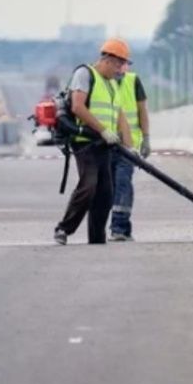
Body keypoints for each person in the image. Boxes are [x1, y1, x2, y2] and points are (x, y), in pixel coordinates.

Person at [53, 38, 133, 245]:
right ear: (107, 59)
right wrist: (103, 130)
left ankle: (97, 239)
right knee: (88, 185)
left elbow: (119, 114)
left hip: (104, 144)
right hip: (85, 141)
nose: (120, 70)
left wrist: (128, 145)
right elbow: (78, 107)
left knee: (106, 193)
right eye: (118, 64)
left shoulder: (112, 84)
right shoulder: (85, 74)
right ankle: (63, 229)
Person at [109, 67, 150, 242]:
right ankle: (124, 228)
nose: (118, 69)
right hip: (104, 144)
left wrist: (146, 138)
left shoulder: (133, 81)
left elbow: (142, 111)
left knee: (123, 183)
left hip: (128, 146)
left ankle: (118, 227)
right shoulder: (99, 81)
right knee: (109, 188)